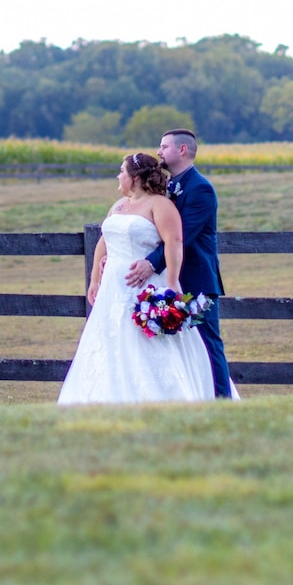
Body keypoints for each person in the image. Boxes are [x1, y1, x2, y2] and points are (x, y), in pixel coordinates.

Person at [57, 152, 217, 404]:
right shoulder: (118, 206)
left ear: (135, 178)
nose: (118, 176)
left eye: (121, 172)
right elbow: (103, 242)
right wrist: (95, 280)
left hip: (145, 286)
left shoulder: (160, 205)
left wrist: (173, 283)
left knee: (146, 342)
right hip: (113, 286)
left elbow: (174, 243)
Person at [126, 129, 237, 398]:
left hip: (196, 281)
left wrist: (151, 264)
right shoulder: (165, 188)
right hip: (165, 281)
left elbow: (182, 237)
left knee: (208, 344)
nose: (159, 151)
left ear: (182, 150)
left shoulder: (201, 189)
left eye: (164, 146)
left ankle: (221, 402)